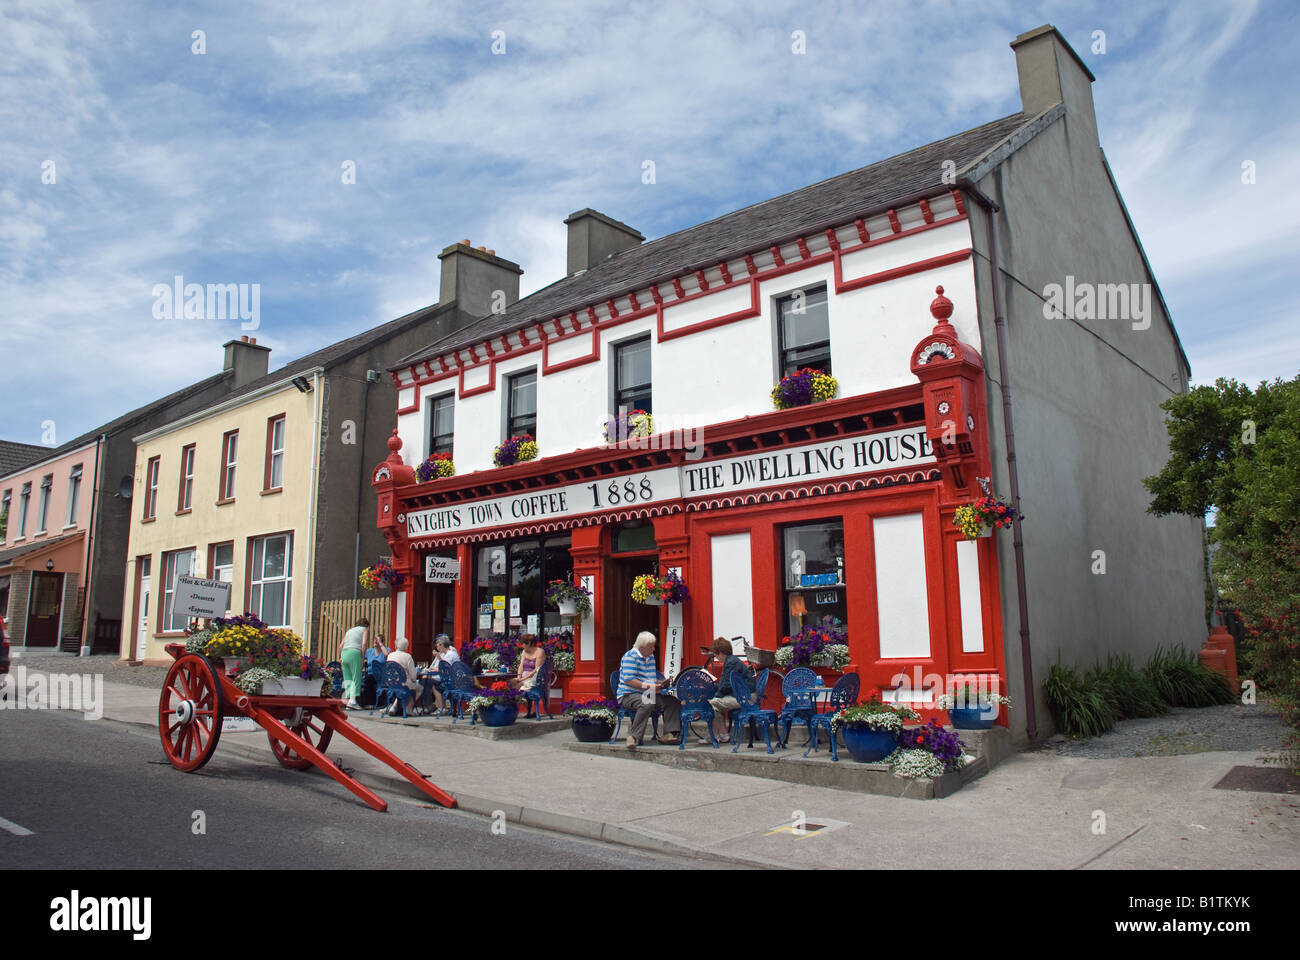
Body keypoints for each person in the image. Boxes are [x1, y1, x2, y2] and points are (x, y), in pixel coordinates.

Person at [616, 632, 682, 748]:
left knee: (672, 701)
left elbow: (649, 678)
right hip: (628, 694)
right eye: (651, 647)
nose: (653, 649)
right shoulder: (630, 657)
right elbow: (629, 680)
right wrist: (649, 687)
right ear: (642, 647)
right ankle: (633, 737)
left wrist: (660, 683)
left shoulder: (650, 657)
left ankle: (670, 734)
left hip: (647, 693)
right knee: (647, 703)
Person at [706, 636, 754, 743]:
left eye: (716, 654)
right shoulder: (732, 660)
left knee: (713, 704)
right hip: (746, 695)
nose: (716, 657)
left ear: (721, 653)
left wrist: (716, 696)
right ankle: (723, 734)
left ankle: (716, 735)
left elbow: (726, 684)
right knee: (717, 703)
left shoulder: (730, 663)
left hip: (746, 697)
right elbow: (726, 683)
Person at [375, 636, 422, 715]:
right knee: (420, 687)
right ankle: (408, 708)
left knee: (400, 687)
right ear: (406, 646)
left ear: (396, 646)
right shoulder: (408, 657)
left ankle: (394, 706)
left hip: (392, 683)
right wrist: (414, 679)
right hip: (404, 684)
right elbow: (413, 676)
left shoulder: (390, 655)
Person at [510, 634, 547, 718]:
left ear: (529, 643)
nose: (522, 645)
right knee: (509, 683)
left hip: (535, 679)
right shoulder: (524, 652)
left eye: (523, 643)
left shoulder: (540, 652)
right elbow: (521, 666)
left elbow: (536, 670)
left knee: (516, 686)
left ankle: (526, 710)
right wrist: (519, 677)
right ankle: (527, 709)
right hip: (523, 678)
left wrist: (522, 679)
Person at [339, 617, 369, 710]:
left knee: (348, 677)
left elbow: (341, 645)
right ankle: (353, 701)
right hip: (355, 652)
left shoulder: (349, 631)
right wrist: (363, 656)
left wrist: (340, 656)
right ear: (366, 625)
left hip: (344, 653)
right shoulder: (364, 630)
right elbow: (363, 643)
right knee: (356, 676)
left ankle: (348, 700)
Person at [430, 634, 460, 714]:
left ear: (442, 645)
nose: (437, 647)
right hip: (455, 680)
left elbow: (442, 668)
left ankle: (442, 708)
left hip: (452, 683)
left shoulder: (450, 654)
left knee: (434, 686)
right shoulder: (450, 654)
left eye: (438, 645)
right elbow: (444, 664)